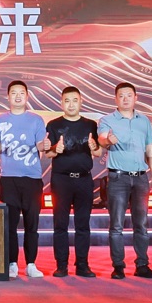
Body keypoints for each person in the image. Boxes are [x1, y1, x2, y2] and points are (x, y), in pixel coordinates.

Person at [98, 82, 152, 279]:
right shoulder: (107, 120)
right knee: (116, 225)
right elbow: (102, 139)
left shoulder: (144, 120)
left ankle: (142, 265)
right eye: (121, 96)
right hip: (118, 178)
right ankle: (118, 266)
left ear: (135, 98)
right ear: (115, 99)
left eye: (129, 95)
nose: (125, 99)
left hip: (140, 178)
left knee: (141, 224)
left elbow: (149, 149)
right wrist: (108, 141)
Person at [0, 80, 49, 278]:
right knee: (10, 225)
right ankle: (12, 263)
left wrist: (44, 145)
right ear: (8, 96)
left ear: (27, 96)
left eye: (21, 93)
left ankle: (31, 264)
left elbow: (40, 145)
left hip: (32, 178)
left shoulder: (36, 120)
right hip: (9, 179)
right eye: (13, 93)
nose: (17, 96)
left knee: (32, 224)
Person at [44, 86, 101, 277]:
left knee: (82, 224)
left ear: (81, 101)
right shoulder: (53, 125)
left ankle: (82, 264)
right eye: (67, 100)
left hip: (84, 179)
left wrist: (94, 147)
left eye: (75, 100)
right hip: (61, 180)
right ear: (61, 103)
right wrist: (56, 149)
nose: (71, 104)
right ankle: (61, 265)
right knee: (60, 224)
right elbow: (48, 153)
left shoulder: (90, 125)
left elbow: (98, 152)